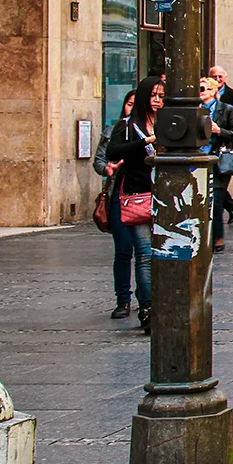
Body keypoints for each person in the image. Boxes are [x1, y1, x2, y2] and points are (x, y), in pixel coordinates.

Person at [107, 75, 164, 333]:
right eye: (153, 95)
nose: (157, 100)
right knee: (144, 253)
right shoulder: (128, 125)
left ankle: (160, 302)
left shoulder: (169, 122)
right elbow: (112, 152)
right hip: (138, 194)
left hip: (167, 196)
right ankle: (147, 307)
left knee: (164, 253)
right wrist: (145, 142)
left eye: (161, 96)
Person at [95, 90, 138, 318]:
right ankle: (123, 300)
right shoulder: (114, 132)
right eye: (129, 104)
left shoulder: (154, 132)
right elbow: (99, 161)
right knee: (123, 249)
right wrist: (107, 169)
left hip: (145, 197)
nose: (132, 108)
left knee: (145, 252)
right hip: (119, 197)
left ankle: (147, 300)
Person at [198, 77, 233, 254]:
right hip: (198, 159)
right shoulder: (194, 110)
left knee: (216, 200)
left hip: (219, 160)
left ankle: (217, 237)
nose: (199, 92)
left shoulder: (226, 109)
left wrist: (219, 131)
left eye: (202, 88)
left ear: (213, 91)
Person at [209, 65, 233, 224]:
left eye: (220, 76)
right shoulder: (200, 102)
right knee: (211, 187)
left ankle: (218, 226)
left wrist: (229, 137)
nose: (218, 79)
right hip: (206, 150)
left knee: (217, 188)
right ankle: (231, 206)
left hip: (223, 149)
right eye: (214, 76)